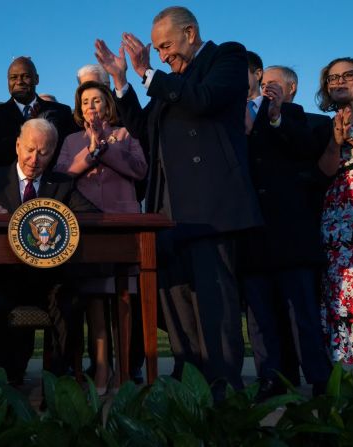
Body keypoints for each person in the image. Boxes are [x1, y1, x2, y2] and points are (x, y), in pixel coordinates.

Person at [95, 6, 261, 394]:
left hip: (210, 208)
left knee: (214, 302)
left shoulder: (227, 57)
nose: (162, 55)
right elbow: (143, 130)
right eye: (155, 49)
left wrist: (147, 73)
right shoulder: (170, 83)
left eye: (165, 46)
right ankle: (188, 383)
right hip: (166, 210)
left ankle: (223, 388)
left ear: (190, 32)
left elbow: (203, 100)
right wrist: (122, 83)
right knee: (175, 301)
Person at [0, 118, 97, 385]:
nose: (34, 159)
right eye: (30, 149)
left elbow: (92, 215)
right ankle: (2, 383)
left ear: (53, 152)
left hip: (48, 281)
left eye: (44, 152)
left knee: (70, 304)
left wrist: (60, 220)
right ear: (17, 146)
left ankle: (57, 387)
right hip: (2, 278)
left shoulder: (63, 184)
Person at [239, 59, 332, 398]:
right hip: (252, 233)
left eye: (276, 83)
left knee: (302, 313)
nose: (268, 87)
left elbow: (307, 151)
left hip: (291, 233)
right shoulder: (240, 119)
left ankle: (321, 379)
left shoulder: (303, 120)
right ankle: (271, 377)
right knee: (261, 316)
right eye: (265, 82)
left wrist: (276, 115)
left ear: (292, 88)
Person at [54, 80, 146, 394]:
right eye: (85, 102)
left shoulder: (125, 134)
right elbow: (63, 174)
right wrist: (91, 152)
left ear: (107, 103)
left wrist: (105, 149)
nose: (91, 106)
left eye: (96, 100)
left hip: (123, 224)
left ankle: (125, 369)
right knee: (94, 298)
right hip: (87, 227)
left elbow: (140, 170)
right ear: (79, 110)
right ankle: (102, 367)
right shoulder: (69, 140)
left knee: (124, 298)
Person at [317, 57, 353, 380]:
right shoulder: (328, 124)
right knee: (346, 303)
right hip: (338, 223)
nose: (338, 82)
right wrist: (335, 142)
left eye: (346, 75)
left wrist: (352, 136)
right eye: (331, 78)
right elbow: (325, 170)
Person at [0, 56, 76, 169]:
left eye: (26, 76)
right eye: (13, 77)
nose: (19, 82)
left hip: (51, 183)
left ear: (37, 79)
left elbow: (68, 152)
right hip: (8, 184)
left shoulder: (61, 112)